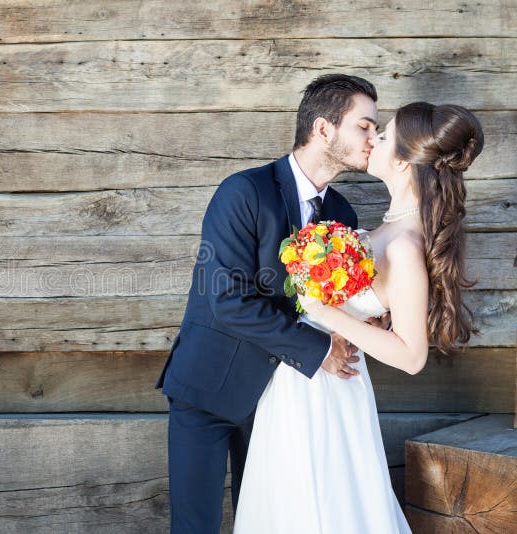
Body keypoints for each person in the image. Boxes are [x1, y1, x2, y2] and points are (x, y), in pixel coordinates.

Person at [233, 101, 484, 533]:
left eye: (383, 137)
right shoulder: (385, 229)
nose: (373, 141)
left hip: (330, 387)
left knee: (320, 505)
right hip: (298, 382)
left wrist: (324, 311)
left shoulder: (404, 246)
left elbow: (411, 356)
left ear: (404, 163)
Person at [155, 74, 382, 533]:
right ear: (323, 129)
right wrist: (320, 350)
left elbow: (330, 304)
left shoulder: (344, 215)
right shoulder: (244, 191)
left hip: (283, 402)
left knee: (264, 522)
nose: (373, 139)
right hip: (210, 388)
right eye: (364, 126)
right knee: (194, 526)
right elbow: (228, 301)